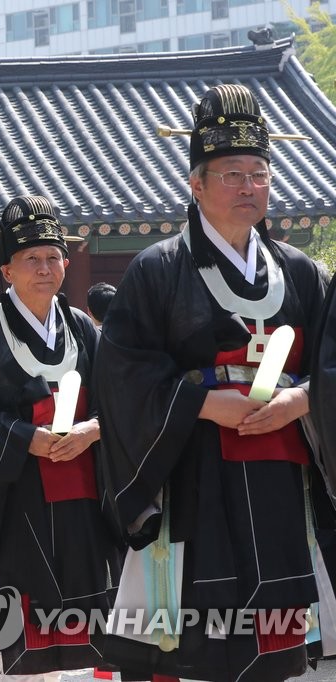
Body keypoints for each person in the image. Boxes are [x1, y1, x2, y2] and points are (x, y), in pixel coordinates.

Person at [94, 84, 331, 681]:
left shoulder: (303, 274)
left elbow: (330, 364)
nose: (249, 186)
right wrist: (202, 403)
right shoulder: (157, 269)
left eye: (259, 173)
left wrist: (304, 400)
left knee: (274, 639)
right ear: (195, 184)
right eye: (231, 174)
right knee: (197, 637)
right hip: (194, 470)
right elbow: (123, 375)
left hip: (281, 472)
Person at [0, 197, 117, 681]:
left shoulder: (83, 329)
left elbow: (119, 402)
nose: (44, 268)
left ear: (67, 263)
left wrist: (93, 428)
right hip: (18, 497)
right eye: (30, 259)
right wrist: (23, 438)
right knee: (26, 631)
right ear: (6, 271)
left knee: (86, 622)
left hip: (82, 496)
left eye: (52, 257)